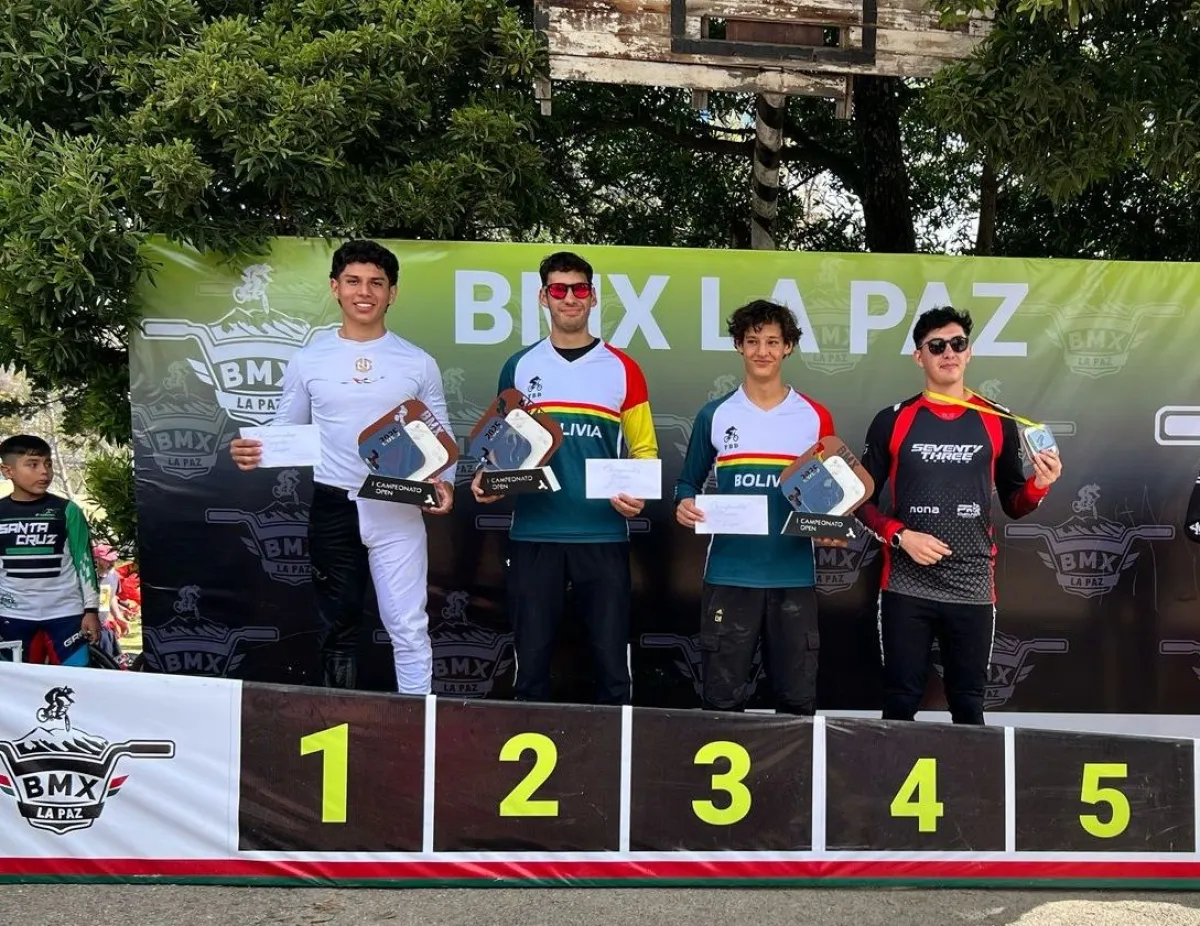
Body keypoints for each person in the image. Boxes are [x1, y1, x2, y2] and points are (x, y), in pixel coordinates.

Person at [229, 239, 454, 694]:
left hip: (397, 507)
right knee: (338, 626)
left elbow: (441, 437)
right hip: (334, 507)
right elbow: (285, 429)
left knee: (409, 626)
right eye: (353, 281)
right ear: (335, 287)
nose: (364, 292)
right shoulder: (308, 359)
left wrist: (444, 484)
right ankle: (340, 719)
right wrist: (254, 449)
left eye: (376, 282)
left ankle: (420, 723)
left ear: (392, 293)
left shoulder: (418, 362)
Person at [856, 305, 1063, 725]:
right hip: (906, 583)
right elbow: (860, 500)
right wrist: (900, 535)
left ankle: (971, 775)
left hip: (972, 584)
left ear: (969, 352)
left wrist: (1040, 485)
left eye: (957, 343)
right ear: (919, 357)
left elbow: (1015, 502)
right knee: (900, 704)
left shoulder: (997, 420)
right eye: (936, 346)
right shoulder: (892, 420)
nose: (948, 352)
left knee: (969, 707)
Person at [472, 250, 658, 706]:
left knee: (612, 666)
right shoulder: (518, 366)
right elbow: (501, 445)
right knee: (531, 665)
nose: (569, 298)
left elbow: (645, 451)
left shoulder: (624, 368)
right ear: (544, 297)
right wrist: (487, 476)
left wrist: (638, 493)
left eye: (579, 289)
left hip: (603, 535)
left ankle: (615, 749)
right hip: (535, 534)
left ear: (592, 297)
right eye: (559, 289)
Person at [673, 300, 834, 715]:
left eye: (773, 342)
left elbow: (832, 496)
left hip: (792, 576)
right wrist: (684, 503)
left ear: (788, 347)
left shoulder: (815, 416)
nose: (762, 351)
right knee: (721, 701)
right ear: (739, 346)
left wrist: (832, 523)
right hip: (730, 575)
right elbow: (687, 482)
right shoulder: (715, 414)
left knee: (797, 702)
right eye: (752, 341)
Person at [0, 434, 102, 666]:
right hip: (12, 616)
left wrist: (91, 610)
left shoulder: (67, 510)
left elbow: (85, 562)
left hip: (66, 615)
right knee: (17, 683)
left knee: (75, 681)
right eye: (32, 465)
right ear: (7, 471)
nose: (44, 472)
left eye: (48, 464)